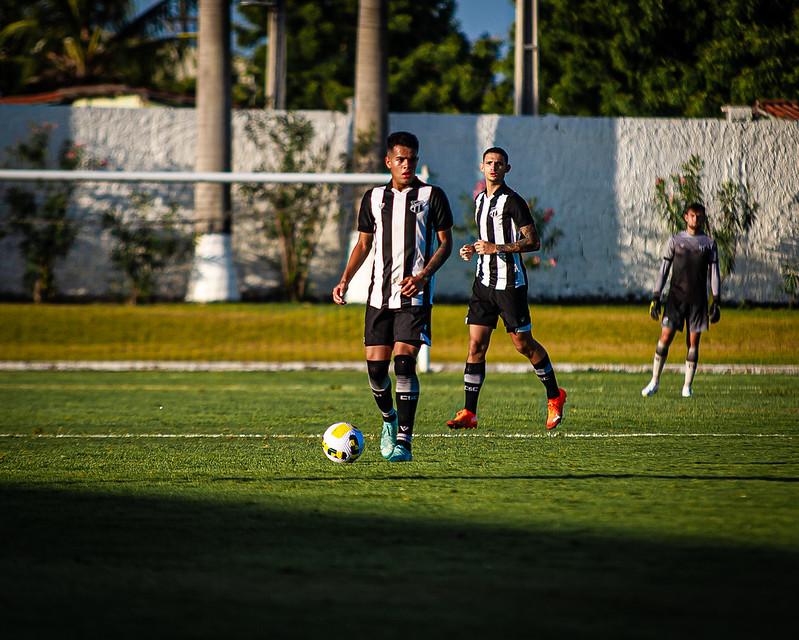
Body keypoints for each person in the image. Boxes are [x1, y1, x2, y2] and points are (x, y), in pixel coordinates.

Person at [332, 131, 453, 462]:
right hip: (378, 298)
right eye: (401, 159)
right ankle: (389, 418)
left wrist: (423, 276)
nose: (407, 165)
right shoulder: (373, 198)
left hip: (414, 299)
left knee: (403, 363)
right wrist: (344, 280)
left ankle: (404, 442)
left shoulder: (432, 196)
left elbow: (445, 244)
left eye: (412, 159)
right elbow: (363, 244)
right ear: (388, 161)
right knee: (375, 372)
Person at [447, 147, 566, 432]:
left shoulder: (513, 202)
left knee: (523, 344)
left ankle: (555, 396)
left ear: (507, 169)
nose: (493, 167)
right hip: (483, 283)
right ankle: (469, 412)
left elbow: (533, 242)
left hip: (510, 284)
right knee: (476, 345)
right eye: (489, 163)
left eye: (499, 164)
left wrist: (497, 248)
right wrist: (472, 249)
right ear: (482, 167)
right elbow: (485, 239)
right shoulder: (479, 200)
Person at [642, 202, 721, 398]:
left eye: (699, 216)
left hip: (698, 301)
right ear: (686, 217)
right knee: (665, 338)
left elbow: (714, 273)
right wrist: (656, 296)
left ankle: (687, 386)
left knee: (693, 343)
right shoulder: (675, 241)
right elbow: (664, 270)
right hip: (676, 299)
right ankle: (654, 381)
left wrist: (716, 300)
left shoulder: (709, 243)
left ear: (703, 218)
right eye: (692, 215)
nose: (695, 219)